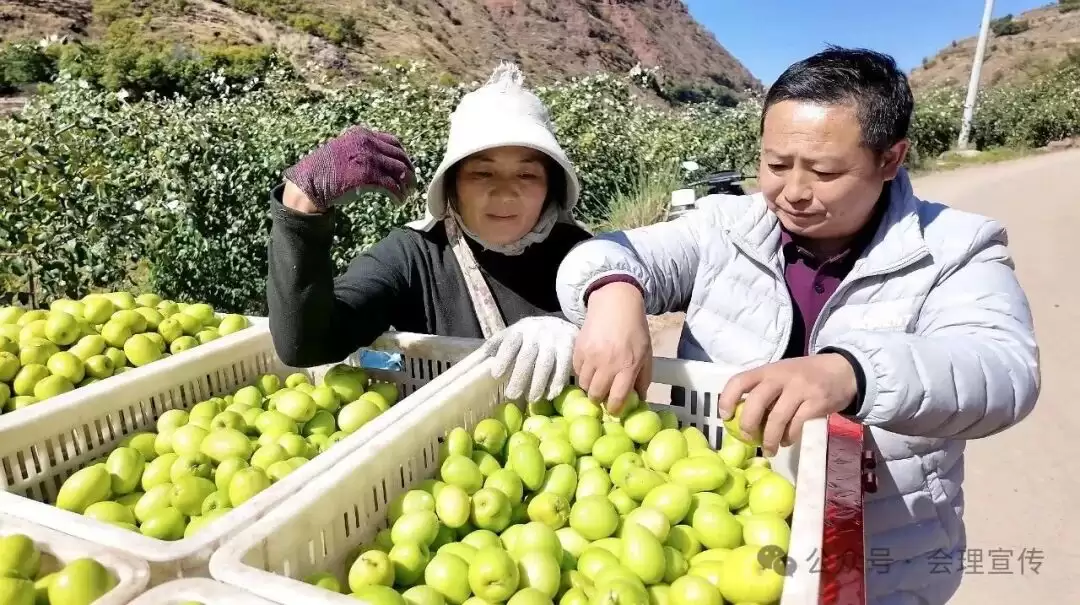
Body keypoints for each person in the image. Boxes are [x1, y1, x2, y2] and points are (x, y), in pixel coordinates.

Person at [554, 46, 1040, 604]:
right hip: (716, 528)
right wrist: (613, 291)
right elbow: (606, 255)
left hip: (882, 555)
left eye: (825, 171)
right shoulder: (724, 226)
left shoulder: (957, 247)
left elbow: (1005, 372)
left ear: (891, 159)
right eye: (775, 164)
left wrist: (852, 371)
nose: (792, 192)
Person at [267, 62, 591, 402]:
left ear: (550, 187)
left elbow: (624, 327)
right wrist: (299, 207)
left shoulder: (586, 259)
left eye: (527, 175)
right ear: (451, 187)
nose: (505, 193)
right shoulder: (413, 256)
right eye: (482, 174)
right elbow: (304, 344)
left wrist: (572, 325)